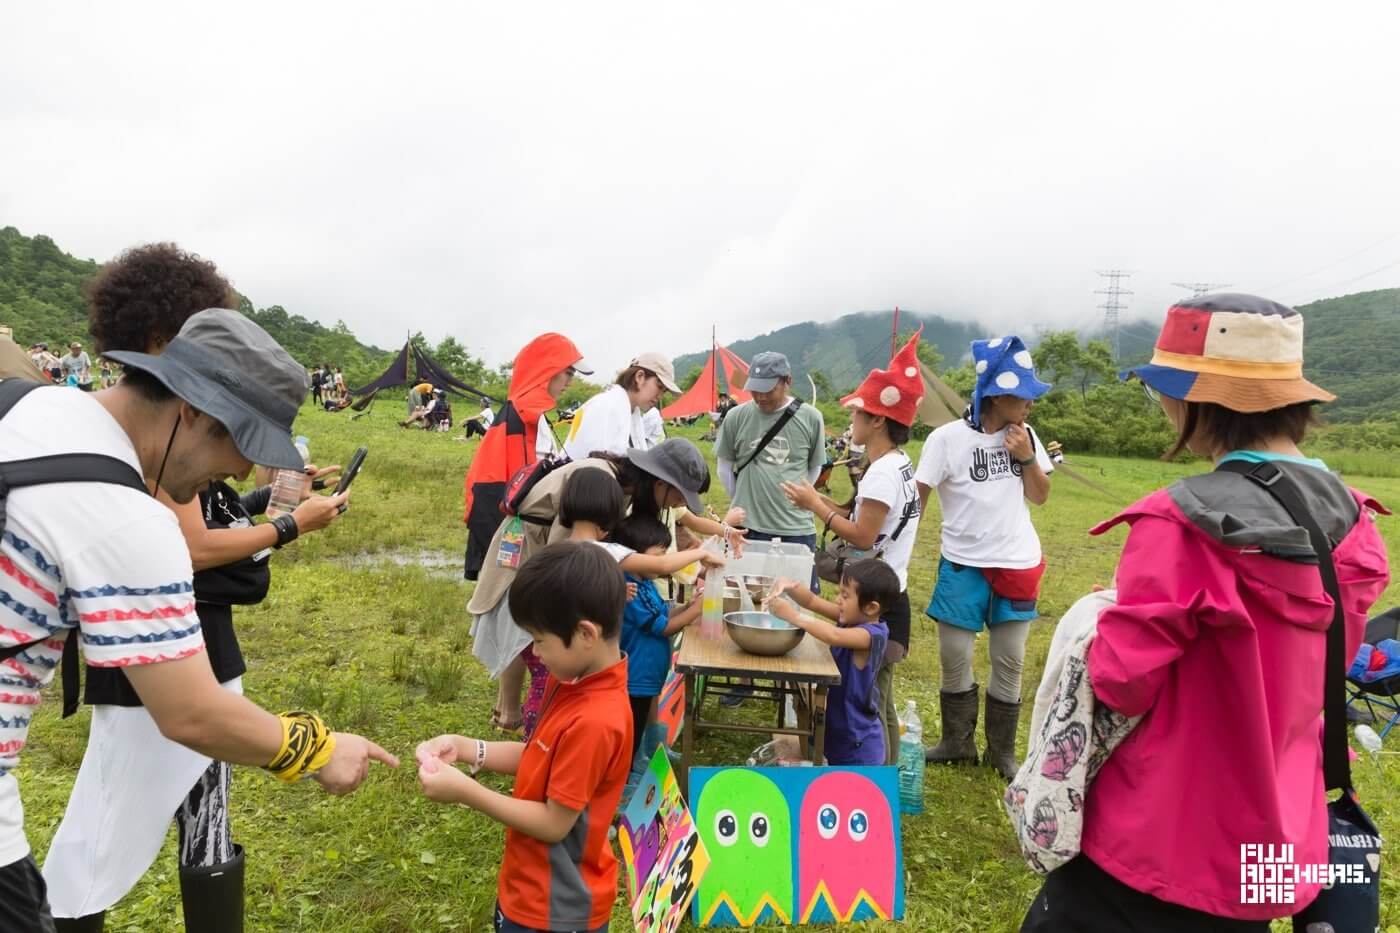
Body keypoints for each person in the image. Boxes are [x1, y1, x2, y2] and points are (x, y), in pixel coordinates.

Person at [0, 309, 397, 932]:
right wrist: (319, 749)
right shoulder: (126, 517)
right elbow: (190, 713)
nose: (238, 473)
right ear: (194, 411)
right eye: (242, 448)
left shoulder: (24, 407)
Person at [1021, 294, 1392, 931]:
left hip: (1156, 839)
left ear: (1198, 400)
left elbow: (1121, 682)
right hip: (1270, 843)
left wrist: (1099, 620)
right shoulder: (1356, 523)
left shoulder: (1180, 523)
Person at [416, 542, 632, 933]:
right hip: (529, 887)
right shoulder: (570, 680)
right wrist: (467, 748)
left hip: (556, 909)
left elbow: (553, 823)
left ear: (585, 633)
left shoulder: (597, 720)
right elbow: (539, 755)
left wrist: (466, 791)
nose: (535, 651)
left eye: (540, 639)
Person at [468, 440, 722, 734]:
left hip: (543, 571)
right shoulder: (598, 487)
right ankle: (529, 724)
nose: (678, 505)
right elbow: (571, 565)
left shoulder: (611, 494)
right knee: (527, 637)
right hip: (527, 557)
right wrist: (699, 555)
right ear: (660, 482)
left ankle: (526, 721)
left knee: (534, 648)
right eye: (679, 496)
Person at [780, 333, 924, 763]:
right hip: (885, 591)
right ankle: (881, 780)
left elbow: (862, 535)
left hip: (881, 598)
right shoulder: (895, 464)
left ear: (878, 420)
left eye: (858, 412)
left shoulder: (882, 473)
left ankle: (880, 784)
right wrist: (819, 500)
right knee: (878, 698)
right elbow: (861, 516)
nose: (852, 419)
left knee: (874, 703)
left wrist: (816, 508)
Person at [916, 335, 1052, 780]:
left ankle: (1001, 753)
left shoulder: (1026, 436)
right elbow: (918, 498)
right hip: (962, 562)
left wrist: (1027, 458)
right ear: (994, 396)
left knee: (1009, 658)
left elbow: (1041, 496)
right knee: (954, 653)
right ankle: (956, 742)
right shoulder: (945, 440)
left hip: (1016, 563)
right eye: (1023, 395)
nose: (1030, 404)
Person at [714, 350, 826, 707]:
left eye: (768, 389)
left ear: (787, 382)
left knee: (795, 601)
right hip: (748, 527)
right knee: (744, 598)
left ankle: (794, 681)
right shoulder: (736, 416)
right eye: (755, 389)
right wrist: (744, 500)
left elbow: (813, 469)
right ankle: (744, 678)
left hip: (795, 527)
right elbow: (725, 466)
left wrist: (794, 499)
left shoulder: (810, 418)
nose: (760, 396)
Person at [463, 333, 591, 581]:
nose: (570, 382)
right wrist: (500, 552)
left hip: (526, 534)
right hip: (513, 536)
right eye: (568, 373)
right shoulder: (518, 417)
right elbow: (489, 486)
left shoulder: (533, 416)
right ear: (547, 371)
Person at [767, 559, 899, 766]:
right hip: (841, 731)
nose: (838, 600)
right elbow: (812, 601)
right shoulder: (854, 617)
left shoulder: (871, 635)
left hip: (859, 745)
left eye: (845, 596)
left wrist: (793, 616)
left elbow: (833, 635)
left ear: (871, 607)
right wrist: (789, 585)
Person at [611, 514, 702, 760]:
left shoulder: (646, 582)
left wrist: (688, 607)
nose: (663, 562)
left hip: (650, 672)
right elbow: (662, 627)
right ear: (634, 555)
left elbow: (664, 613)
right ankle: (633, 771)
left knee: (644, 718)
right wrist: (695, 611)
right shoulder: (630, 590)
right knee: (634, 728)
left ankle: (653, 751)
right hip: (636, 675)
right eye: (659, 555)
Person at [563, 352, 680, 460]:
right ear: (639, 377)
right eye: (659, 387)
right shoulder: (605, 406)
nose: (660, 396)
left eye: (664, 391)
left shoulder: (633, 413)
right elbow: (594, 467)